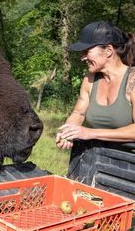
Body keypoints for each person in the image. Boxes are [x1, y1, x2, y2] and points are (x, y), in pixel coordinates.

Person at [56, 21, 135, 149]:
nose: (82, 58)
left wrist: (90, 133)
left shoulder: (133, 80)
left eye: (87, 51)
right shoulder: (90, 79)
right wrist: (67, 132)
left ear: (109, 50)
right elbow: (78, 113)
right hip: (96, 159)